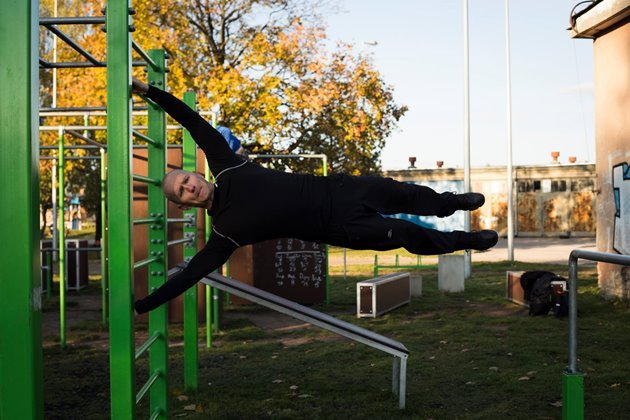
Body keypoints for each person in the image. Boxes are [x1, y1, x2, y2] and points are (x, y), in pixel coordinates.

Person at [131, 78, 498, 314]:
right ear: (183, 204)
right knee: (404, 234)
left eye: (186, 179)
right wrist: (144, 305)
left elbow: (192, 121)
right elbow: (190, 274)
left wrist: (150, 92)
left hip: (339, 189)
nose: (189, 186)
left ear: (196, 173)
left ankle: (451, 203)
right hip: (340, 227)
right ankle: (465, 241)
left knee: (403, 193)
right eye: (182, 191)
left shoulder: (225, 164)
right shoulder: (225, 234)